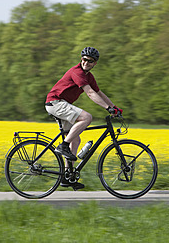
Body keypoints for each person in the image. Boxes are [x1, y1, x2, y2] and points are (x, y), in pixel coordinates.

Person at [45, 47, 123, 190]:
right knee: (86, 117)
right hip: (55, 102)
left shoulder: (89, 76)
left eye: (90, 61)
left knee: (76, 140)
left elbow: (99, 92)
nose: (86, 62)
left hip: (60, 104)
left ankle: (67, 176)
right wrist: (107, 108)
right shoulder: (77, 72)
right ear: (81, 59)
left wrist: (114, 107)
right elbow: (90, 93)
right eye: (84, 59)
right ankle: (63, 146)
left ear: (95, 63)